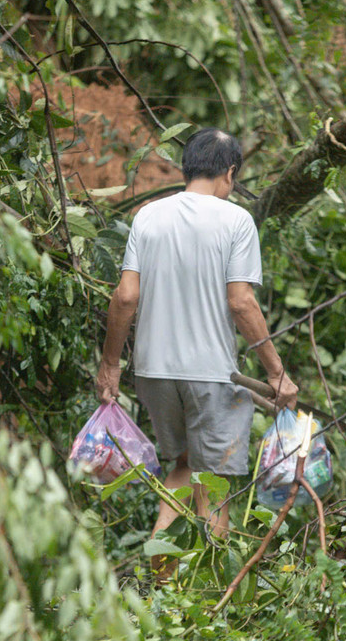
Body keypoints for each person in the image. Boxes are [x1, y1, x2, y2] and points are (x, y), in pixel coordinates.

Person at [95, 128, 298, 568]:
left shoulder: (148, 217)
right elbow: (241, 301)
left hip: (153, 372)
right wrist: (276, 372)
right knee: (215, 482)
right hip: (210, 375)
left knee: (184, 466)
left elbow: (125, 297)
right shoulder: (236, 221)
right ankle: (204, 601)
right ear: (229, 173)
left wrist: (110, 364)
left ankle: (163, 583)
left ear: (187, 168)